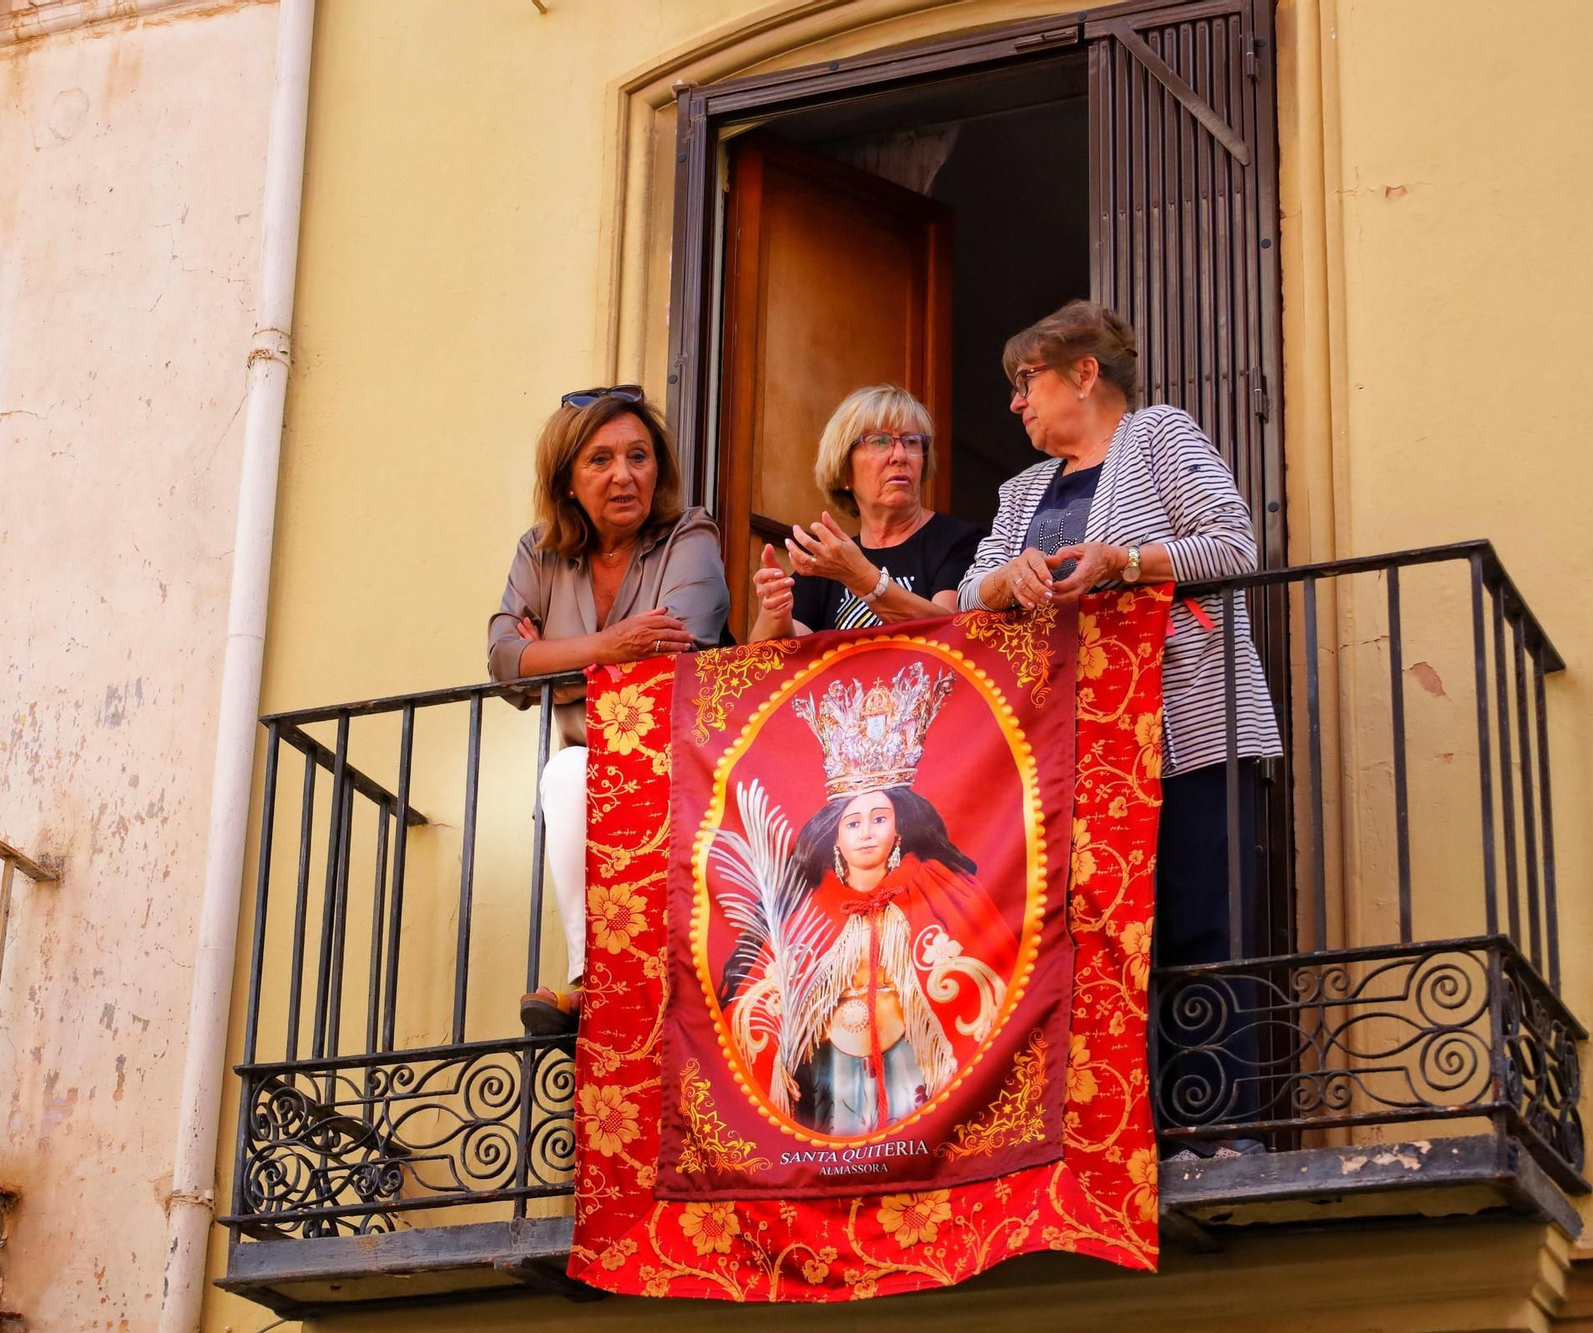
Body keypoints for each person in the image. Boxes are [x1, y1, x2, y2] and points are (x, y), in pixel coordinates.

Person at [956, 300, 1283, 1157]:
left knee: (1201, 922)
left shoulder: (1161, 436)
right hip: (1075, 756)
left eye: (1027, 381)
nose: (1016, 404)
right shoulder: (1020, 491)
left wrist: (1124, 563)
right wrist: (1003, 583)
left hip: (1188, 734)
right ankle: (1121, 1139)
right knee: (1099, 944)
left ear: (1085, 374)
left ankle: (1217, 1134)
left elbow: (1236, 547)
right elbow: (964, 597)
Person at [487, 385, 729, 1036]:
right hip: (594, 776)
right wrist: (611, 648)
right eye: (600, 459)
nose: (624, 474)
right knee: (568, 774)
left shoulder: (690, 534)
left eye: (639, 456)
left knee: (575, 770)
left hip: (682, 772)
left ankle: (600, 986)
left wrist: (557, 663)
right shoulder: (539, 552)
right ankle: (594, 982)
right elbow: (504, 660)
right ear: (567, 480)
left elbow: (681, 651)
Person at [717, 664, 1016, 1136]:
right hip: (834, 1063)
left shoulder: (937, 886)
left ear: (899, 827)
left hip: (913, 1058)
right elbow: (761, 995)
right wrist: (781, 1055)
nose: (866, 833)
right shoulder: (809, 908)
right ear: (834, 836)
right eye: (853, 823)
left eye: (879, 818)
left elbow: (997, 972)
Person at [749, 386, 985, 641]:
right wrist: (775, 609)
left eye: (911, 441)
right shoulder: (833, 561)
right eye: (879, 441)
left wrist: (861, 578)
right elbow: (768, 658)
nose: (900, 455)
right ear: (845, 471)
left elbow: (951, 633)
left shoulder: (963, 541)